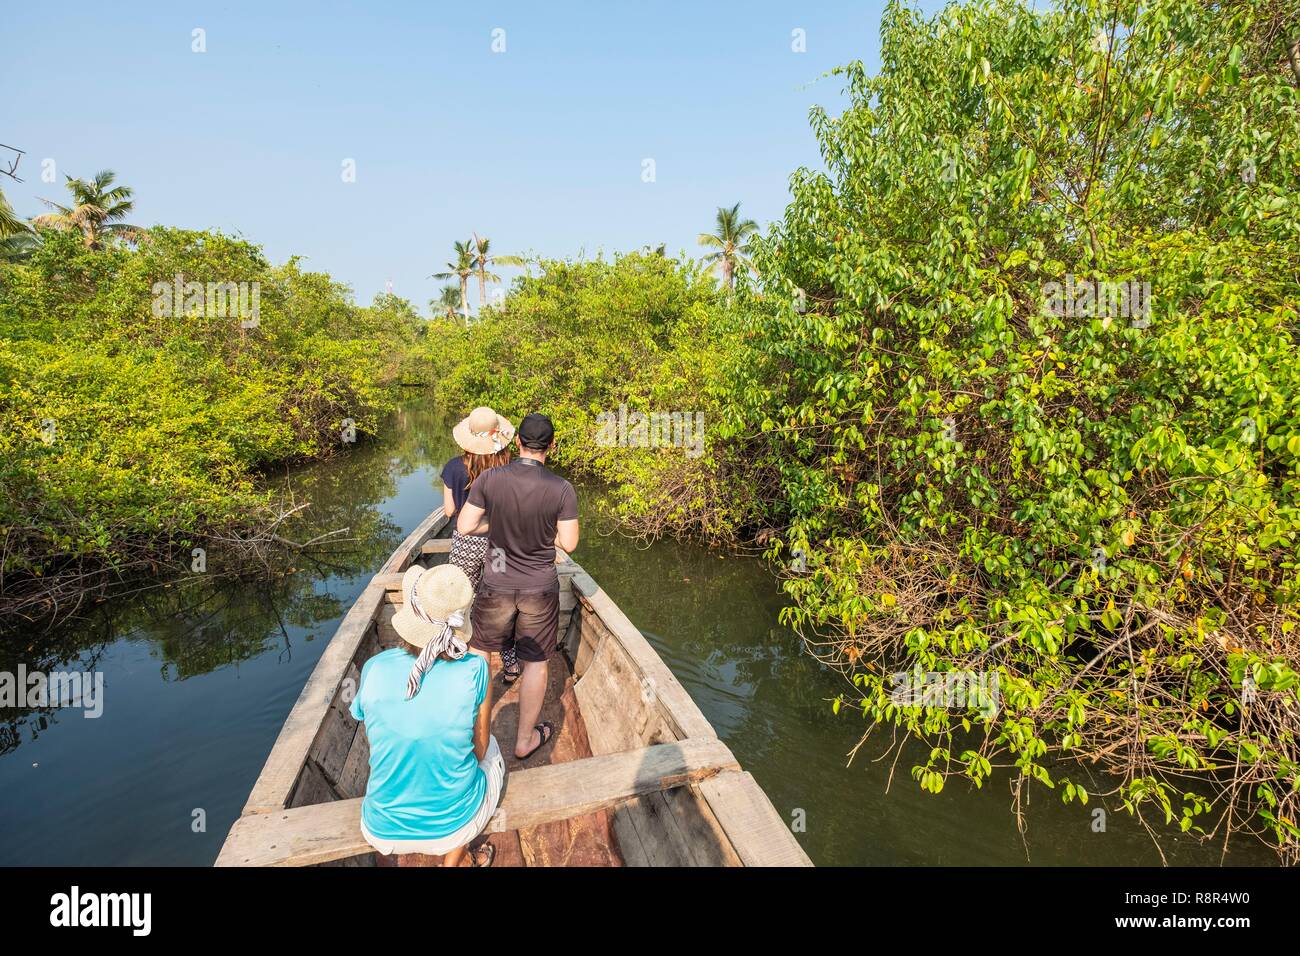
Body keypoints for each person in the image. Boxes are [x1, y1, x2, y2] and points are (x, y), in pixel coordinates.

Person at [350, 563, 504, 867]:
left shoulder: (375, 666)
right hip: (453, 828)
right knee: (495, 750)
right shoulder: (476, 668)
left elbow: (374, 734)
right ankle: (452, 862)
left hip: (380, 830)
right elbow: (482, 748)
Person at [456, 412, 579, 761]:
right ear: (551, 446)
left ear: (519, 443)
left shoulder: (491, 479)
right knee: (537, 663)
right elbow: (568, 543)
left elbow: (465, 525)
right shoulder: (562, 489)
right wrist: (540, 532)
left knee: (480, 654)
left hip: (496, 583)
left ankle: (472, 732)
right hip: (538, 588)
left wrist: (496, 527)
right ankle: (525, 740)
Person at [441, 407, 518, 676]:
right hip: (500, 544)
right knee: (501, 602)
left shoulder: (453, 467)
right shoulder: (510, 469)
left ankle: (455, 654)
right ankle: (510, 662)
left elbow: (449, 511)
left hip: (466, 543)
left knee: (460, 601)